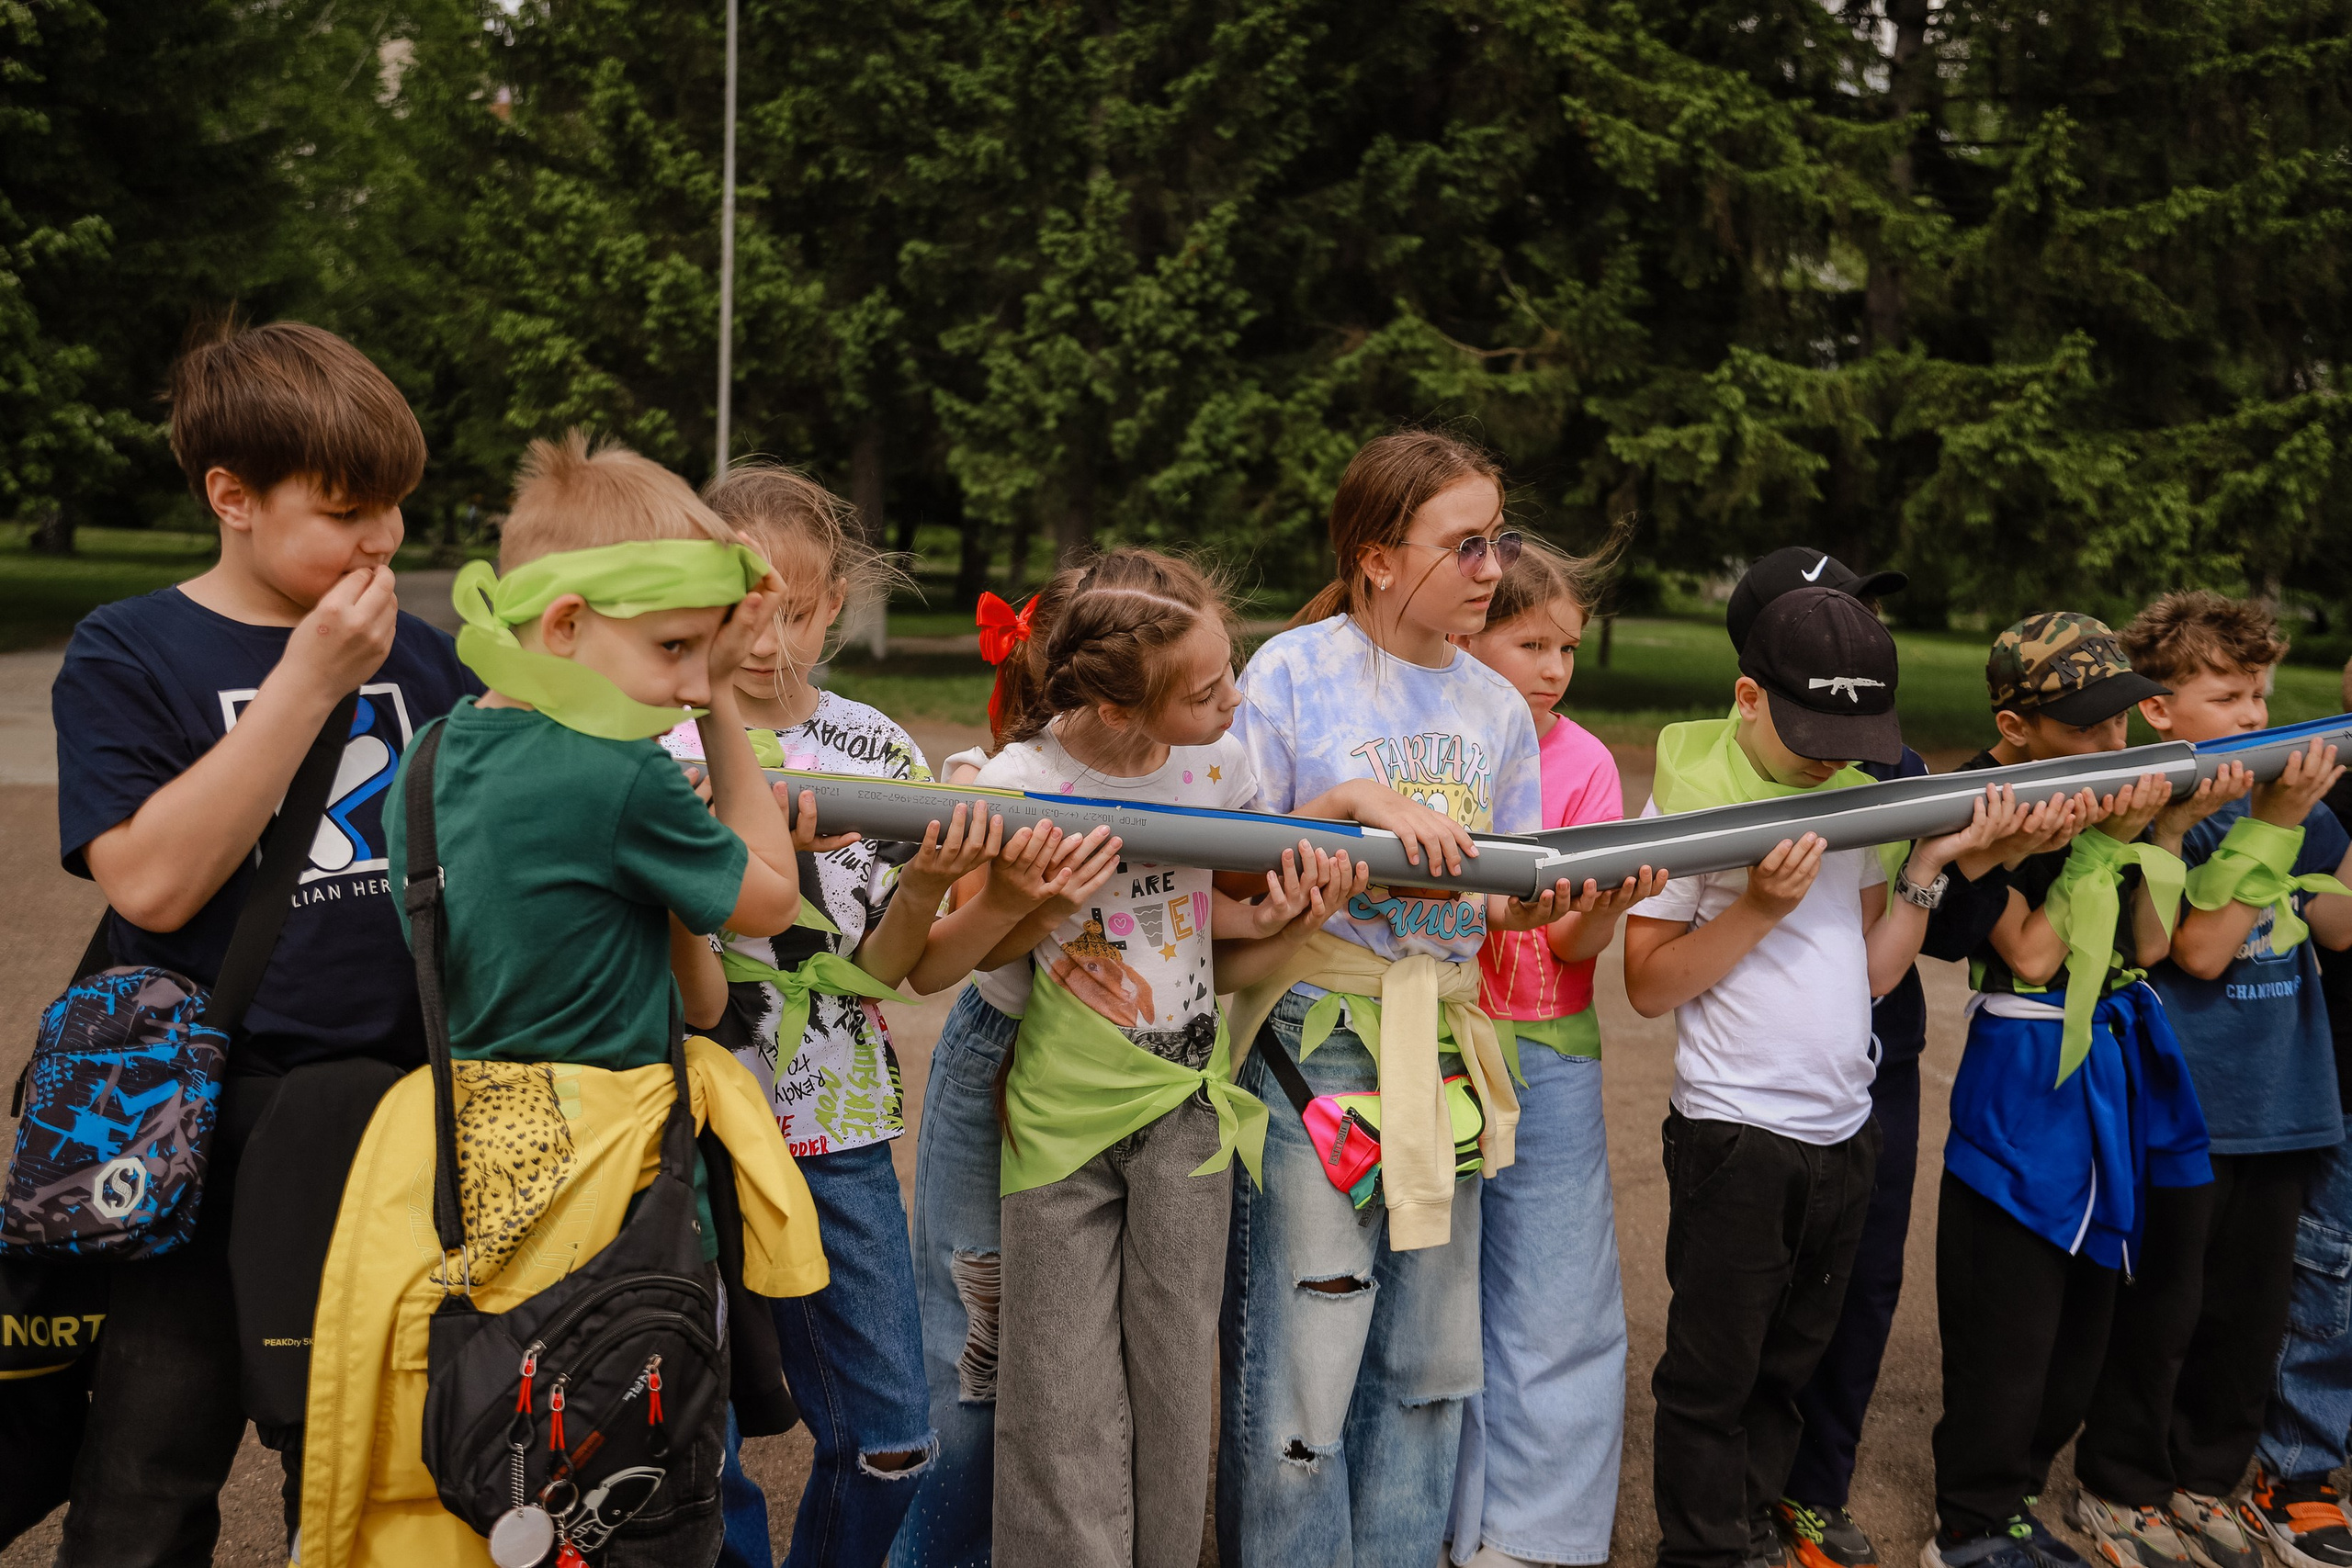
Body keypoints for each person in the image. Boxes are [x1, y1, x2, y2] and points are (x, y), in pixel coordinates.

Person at [40, 319, 475, 1565]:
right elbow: (157, 881)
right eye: (346, 508)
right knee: (145, 1470)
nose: (384, 538)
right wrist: (308, 678)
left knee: (353, 1476)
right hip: (200, 1132)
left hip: (386, 1128)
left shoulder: (426, 658)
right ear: (231, 496)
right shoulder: (130, 648)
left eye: (396, 505)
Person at [373, 431, 815, 1565]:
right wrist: (724, 705)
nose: (678, 681)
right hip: (618, 1192)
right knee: (636, 1475)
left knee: (509, 1451)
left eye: (697, 658)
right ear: (564, 625)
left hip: (467, 1171)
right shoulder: (613, 774)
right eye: (670, 648)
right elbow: (764, 902)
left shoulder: (425, 763)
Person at [1217, 428, 1593, 1563]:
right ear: (1378, 558)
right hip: (1313, 1042)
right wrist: (1346, 802)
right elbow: (1225, 869)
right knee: (1305, 1358)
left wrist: (1574, 897)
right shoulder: (1289, 671)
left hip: (1443, 1050)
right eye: (1467, 544)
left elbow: (1507, 903)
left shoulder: (1492, 706)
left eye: (1500, 539)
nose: (1493, 567)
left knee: (1429, 1368)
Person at [684, 462, 1057, 1568]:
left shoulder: (874, 746)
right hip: (688, 1123)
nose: (763, 642)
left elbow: (901, 972)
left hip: (834, 1124)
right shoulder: (659, 738)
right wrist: (752, 851)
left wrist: (957, 889)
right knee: (698, 1439)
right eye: (736, 611)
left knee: (894, 1438)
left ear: (832, 601)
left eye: (791, 613)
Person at [978, 547, 1354, 1565]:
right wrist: (1033, 900)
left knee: (1179, 1373)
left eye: (1227, 670)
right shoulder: (1023, 782)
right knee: (1057, 1385)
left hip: (1188, 1109)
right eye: (1205, 690)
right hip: (1062, 1115)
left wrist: (1285, 917)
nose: (1234, 700)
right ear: (1115, 708)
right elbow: (981, 954)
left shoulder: (1218, 768)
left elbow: (1215, 940)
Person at [1622, 586, 2005, 1568]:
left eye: (1852, 736)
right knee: (1716, 1370)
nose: (1832, 757)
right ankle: (1704, 1550)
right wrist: (1754, 907)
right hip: (1735, 1133)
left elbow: (1873, 974)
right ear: (1747, 697)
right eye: (1810, 736)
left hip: (1844, 1127)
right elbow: (1648, 986)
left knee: (1790, 1362)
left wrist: (1928, 866)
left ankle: (1750, 1527)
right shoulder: (1690, 806)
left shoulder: (1852, 796)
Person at [1925, 613, 2233, 1568]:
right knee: (2011, 1317)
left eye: (2120, 722)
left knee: (2086, 1316)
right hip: (2023, 1074)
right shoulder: (1986, 799)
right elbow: (2028, 953)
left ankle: (2015, 1500)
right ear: (2017, 729)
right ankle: (1971, 1523)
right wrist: (2106, 843)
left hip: (2112, 1062)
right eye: (2086, 729)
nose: (2113, 746)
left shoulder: (2107, 793)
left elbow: (2143, 946)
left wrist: (2166, 832)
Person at [2062, 594, 2352, 1567]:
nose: (2254, 716)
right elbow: (2197, 951)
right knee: (2162, 1316)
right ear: (2158, 710)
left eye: (2261, 694)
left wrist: (2305, 822)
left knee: (2246, 1320)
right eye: (2226, 695)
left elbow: (2344, 927)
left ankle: (2202, 1480)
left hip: (2286, 1105)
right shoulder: (2169, 816)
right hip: (2190, 1116)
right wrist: (2267, 825)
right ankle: (2121, 1485)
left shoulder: (2292, 811)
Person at [894, 572, 1125, 1568]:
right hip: (1010, 1053)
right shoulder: (995, 785)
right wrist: (1017, 891)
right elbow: (952, 952)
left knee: (1085, 1353)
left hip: (1128, 1071)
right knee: (971, 1344)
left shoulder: (1200, 779)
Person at [1444, 537, 1660, 1568]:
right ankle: (1440, 1519)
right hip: (1433, 1043)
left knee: (1554, 1297)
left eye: (1566, 647)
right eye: (1528, 642)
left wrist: (1600, 911)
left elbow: (1572, 946)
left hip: (1549, 1054)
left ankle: (1541, 1540)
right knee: (1436, 1300)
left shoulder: (1585, 761)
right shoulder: (1429, 742)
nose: (1553, 669)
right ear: (1465, 633)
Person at [2239, 654, 2352, 1568]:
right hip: (2338, 1075)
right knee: (2330, 1282)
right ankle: (2299, 1472)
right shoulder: (2330, 779)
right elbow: (2337, 922)